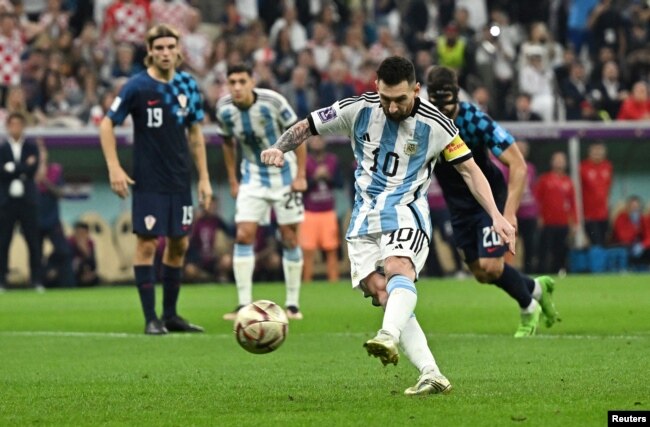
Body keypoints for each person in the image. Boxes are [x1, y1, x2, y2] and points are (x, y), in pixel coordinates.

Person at [261, 56, 516, 396]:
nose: (393, 107)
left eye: (401, 99)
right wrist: (279, 148)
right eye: (386, 98)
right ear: (376, 85)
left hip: (406, 210)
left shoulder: (438, 124)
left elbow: (470, 170)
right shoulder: (357, 109)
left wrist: (497, 215)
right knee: (381, 291)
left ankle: (387, 336)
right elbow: (307, 125)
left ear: (416, 89)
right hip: (364, 216)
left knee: (399, 269)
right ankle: (431, 372)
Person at [426, 65, 559, 338]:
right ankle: (535, 288)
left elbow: (518, 164)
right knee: (481, 273)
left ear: (457, 98)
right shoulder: (423, 124)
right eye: (437, 108)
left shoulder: (475, 120)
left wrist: (508, 214)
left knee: (492, 266)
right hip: (458, 205)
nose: (443, 115)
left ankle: (527, 306)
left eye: (447, 108)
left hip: (489, 200)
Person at [99, 24, 213, 335]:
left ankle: (171, 315)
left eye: (170, 47)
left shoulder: (188, 85)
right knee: (147, 244)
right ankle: (151, 318)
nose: (165, 53)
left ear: (178, 51)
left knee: (179, 244)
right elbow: (107, 125)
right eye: (158, 48)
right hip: (149, 182)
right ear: (149, 51)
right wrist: (114, 167)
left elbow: (196, 134)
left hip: (180, 181)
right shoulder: (136, 87)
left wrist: (203, 178)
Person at [216, 63, 306, 321]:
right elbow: (227, 143)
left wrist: (300, 175)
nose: (236, 87)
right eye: (232, 82)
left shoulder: (273, 101)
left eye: (242, 81)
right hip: (252, 176)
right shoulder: (224, 109)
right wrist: (233, 179)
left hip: (284, 175)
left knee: (289, 237)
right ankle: (244, 304)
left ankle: (292, 304)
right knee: (244, 235)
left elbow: (298, 133)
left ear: (252, 82)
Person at [0, 112, 43, 292]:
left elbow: (32, 170)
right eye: (13, 124)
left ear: (23, 126)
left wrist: (12, 168)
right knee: (3, 242)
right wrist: (23, 168)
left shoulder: (32, 147)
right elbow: (2, 173)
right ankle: (2, 281)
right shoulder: (2, 149)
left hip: (27, 202)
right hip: (7, 202)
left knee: (33, 242)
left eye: (19, 124)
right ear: (8, 126)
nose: (16, 128)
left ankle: (36, 281)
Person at [301, 135, 342, 283]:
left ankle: (334, 281)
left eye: (319, 139)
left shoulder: (332, 160)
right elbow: (300, 188)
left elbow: (340, 184)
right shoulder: (304, 161)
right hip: (310, 212)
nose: (317, 142)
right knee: (308, 250)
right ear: (309, 143)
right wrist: (315, 178)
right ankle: (307, 282)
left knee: (331, 249)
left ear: (324, 142)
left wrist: (328, 177)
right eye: (314, 139)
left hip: (328, 212)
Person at [35, 139, 74, 287]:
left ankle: (68, 284)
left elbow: (60, 193)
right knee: (35, 255)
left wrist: (44, 180)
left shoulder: (55, 170)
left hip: (52, 219)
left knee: (63, 251)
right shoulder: (27, 171)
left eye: (42, 150)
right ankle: (37, 283)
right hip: (34, 220)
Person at [535, 151, 577, 275]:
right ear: (552, 162)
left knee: (561, 249)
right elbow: (537, 199)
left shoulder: (568, 181)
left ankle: (559, 271)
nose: (559, 163)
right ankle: (542, 272)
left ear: (565, 163)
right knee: (545, 249)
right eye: (556, 160)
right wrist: (539, 216)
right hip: (547, 222)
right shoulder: (544, 179)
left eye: (561, 160)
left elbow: (572, 203)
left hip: (563, 222)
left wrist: (574, 222)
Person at [580, 142, 612, 246]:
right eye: (595, 150)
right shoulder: (582, 167)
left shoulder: (608, 166)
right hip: (589, 215)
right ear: (589, 152)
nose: (597, 152)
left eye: (600, 150)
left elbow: (608, 189)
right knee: (595, 243)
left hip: (604, 214)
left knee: (603, 242)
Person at [68, 221, 99, 286]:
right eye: (78, 233)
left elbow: (93, 265)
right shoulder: (69, 243)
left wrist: (86, 252)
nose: (80, 236)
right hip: (72, 273)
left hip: (85, 273)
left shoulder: (90, 244)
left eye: (83, 233)